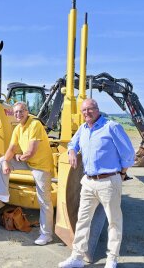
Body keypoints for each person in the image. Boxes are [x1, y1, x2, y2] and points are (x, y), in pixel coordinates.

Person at [58, 99, 135, 268]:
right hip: (88, 182)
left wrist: (122, 173)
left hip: (108, 181)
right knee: (82, 220)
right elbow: (73, 143)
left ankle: (112, 259)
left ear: (97, 109)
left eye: (90, 109)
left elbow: (128, 153)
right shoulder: (83, 128)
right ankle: (77, 257)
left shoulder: (111, 127)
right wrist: (71, 151)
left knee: (114, 221)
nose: (87, 113)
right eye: (84, 110)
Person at [0, 101, 54, 246]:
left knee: (44, 201)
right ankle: (2, 192)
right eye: (16, 112)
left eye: (21, 111)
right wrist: (6, 162)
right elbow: (11, 148)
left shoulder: (35, 124)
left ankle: (46, 234)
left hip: (41, 166)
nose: (18, 114)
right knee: (1, 161)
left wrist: (17, 157)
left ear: (27, 111)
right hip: (29, 162)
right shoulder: (18, 128)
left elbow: (30, 153)